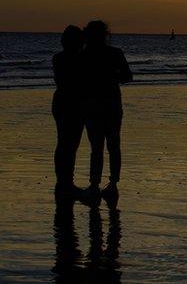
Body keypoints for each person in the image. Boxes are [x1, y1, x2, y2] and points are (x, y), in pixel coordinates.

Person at [82, 20, 132, 202]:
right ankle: (112, 185)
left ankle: (96, 185)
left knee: (97, 147)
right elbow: (127, 76)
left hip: (95, 104)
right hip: (110, 103)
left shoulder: (85, 54)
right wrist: (112, 77)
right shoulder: (114, 53)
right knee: (112, 145)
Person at [52, 25, 86, 197]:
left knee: (63, 143)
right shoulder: (81, 59)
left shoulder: (58, 58)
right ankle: (66, 182)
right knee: (70, 144)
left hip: (61, 101)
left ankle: (63, 181)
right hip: (73, 103)